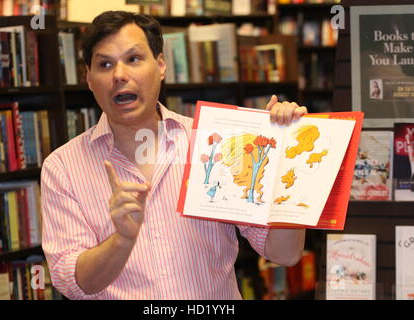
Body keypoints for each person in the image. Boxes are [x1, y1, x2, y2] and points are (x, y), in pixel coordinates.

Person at [41, 10, 308, 300]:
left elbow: (285, 252)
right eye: (105, 64)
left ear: (161, 66)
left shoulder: (212, 144)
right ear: (90, 79)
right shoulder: (63, 167)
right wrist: (122, 240)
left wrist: (286, 160)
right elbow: (73, 283)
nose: (119, 75)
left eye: (133, 59)